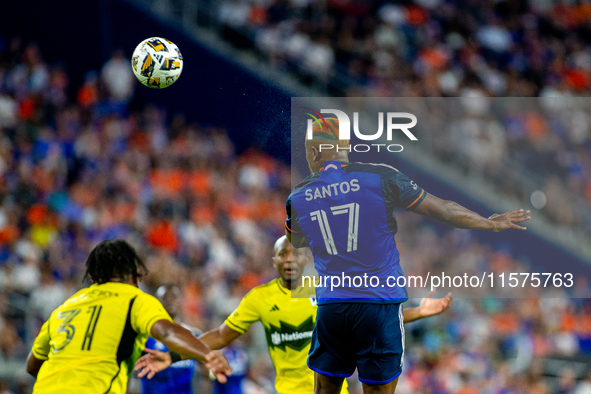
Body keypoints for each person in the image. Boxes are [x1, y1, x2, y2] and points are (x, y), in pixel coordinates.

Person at [284, 118, 531, 394]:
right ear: (345, 147)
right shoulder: (380, 176)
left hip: (332, 306)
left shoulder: (299, 196)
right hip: (379, 306)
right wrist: (489, 222)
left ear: (315, 152)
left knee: (325, 390)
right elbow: (443, 209)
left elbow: (296, 239)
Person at [134, 236, 452, 394]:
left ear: (305, 258)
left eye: (295, 253)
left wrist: (420, 312)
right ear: (273, 260)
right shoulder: (259, 298)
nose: (289, 259)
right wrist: (174, 356)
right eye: (282, 254)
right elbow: (219, 335)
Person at [25, 239, 232, 394]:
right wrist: (208, 354)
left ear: (94, 276)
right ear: (134, 276)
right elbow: (167, 331)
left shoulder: (64, 308)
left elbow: (32, 365)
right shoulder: (134, 299)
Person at [137, 284, 203, 394]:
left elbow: (207, 372)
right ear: (157, 302)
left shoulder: (193, 335)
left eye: (174, 296)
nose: (169, 300)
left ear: (181, 301)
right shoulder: (144, 337)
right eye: (164, 297)